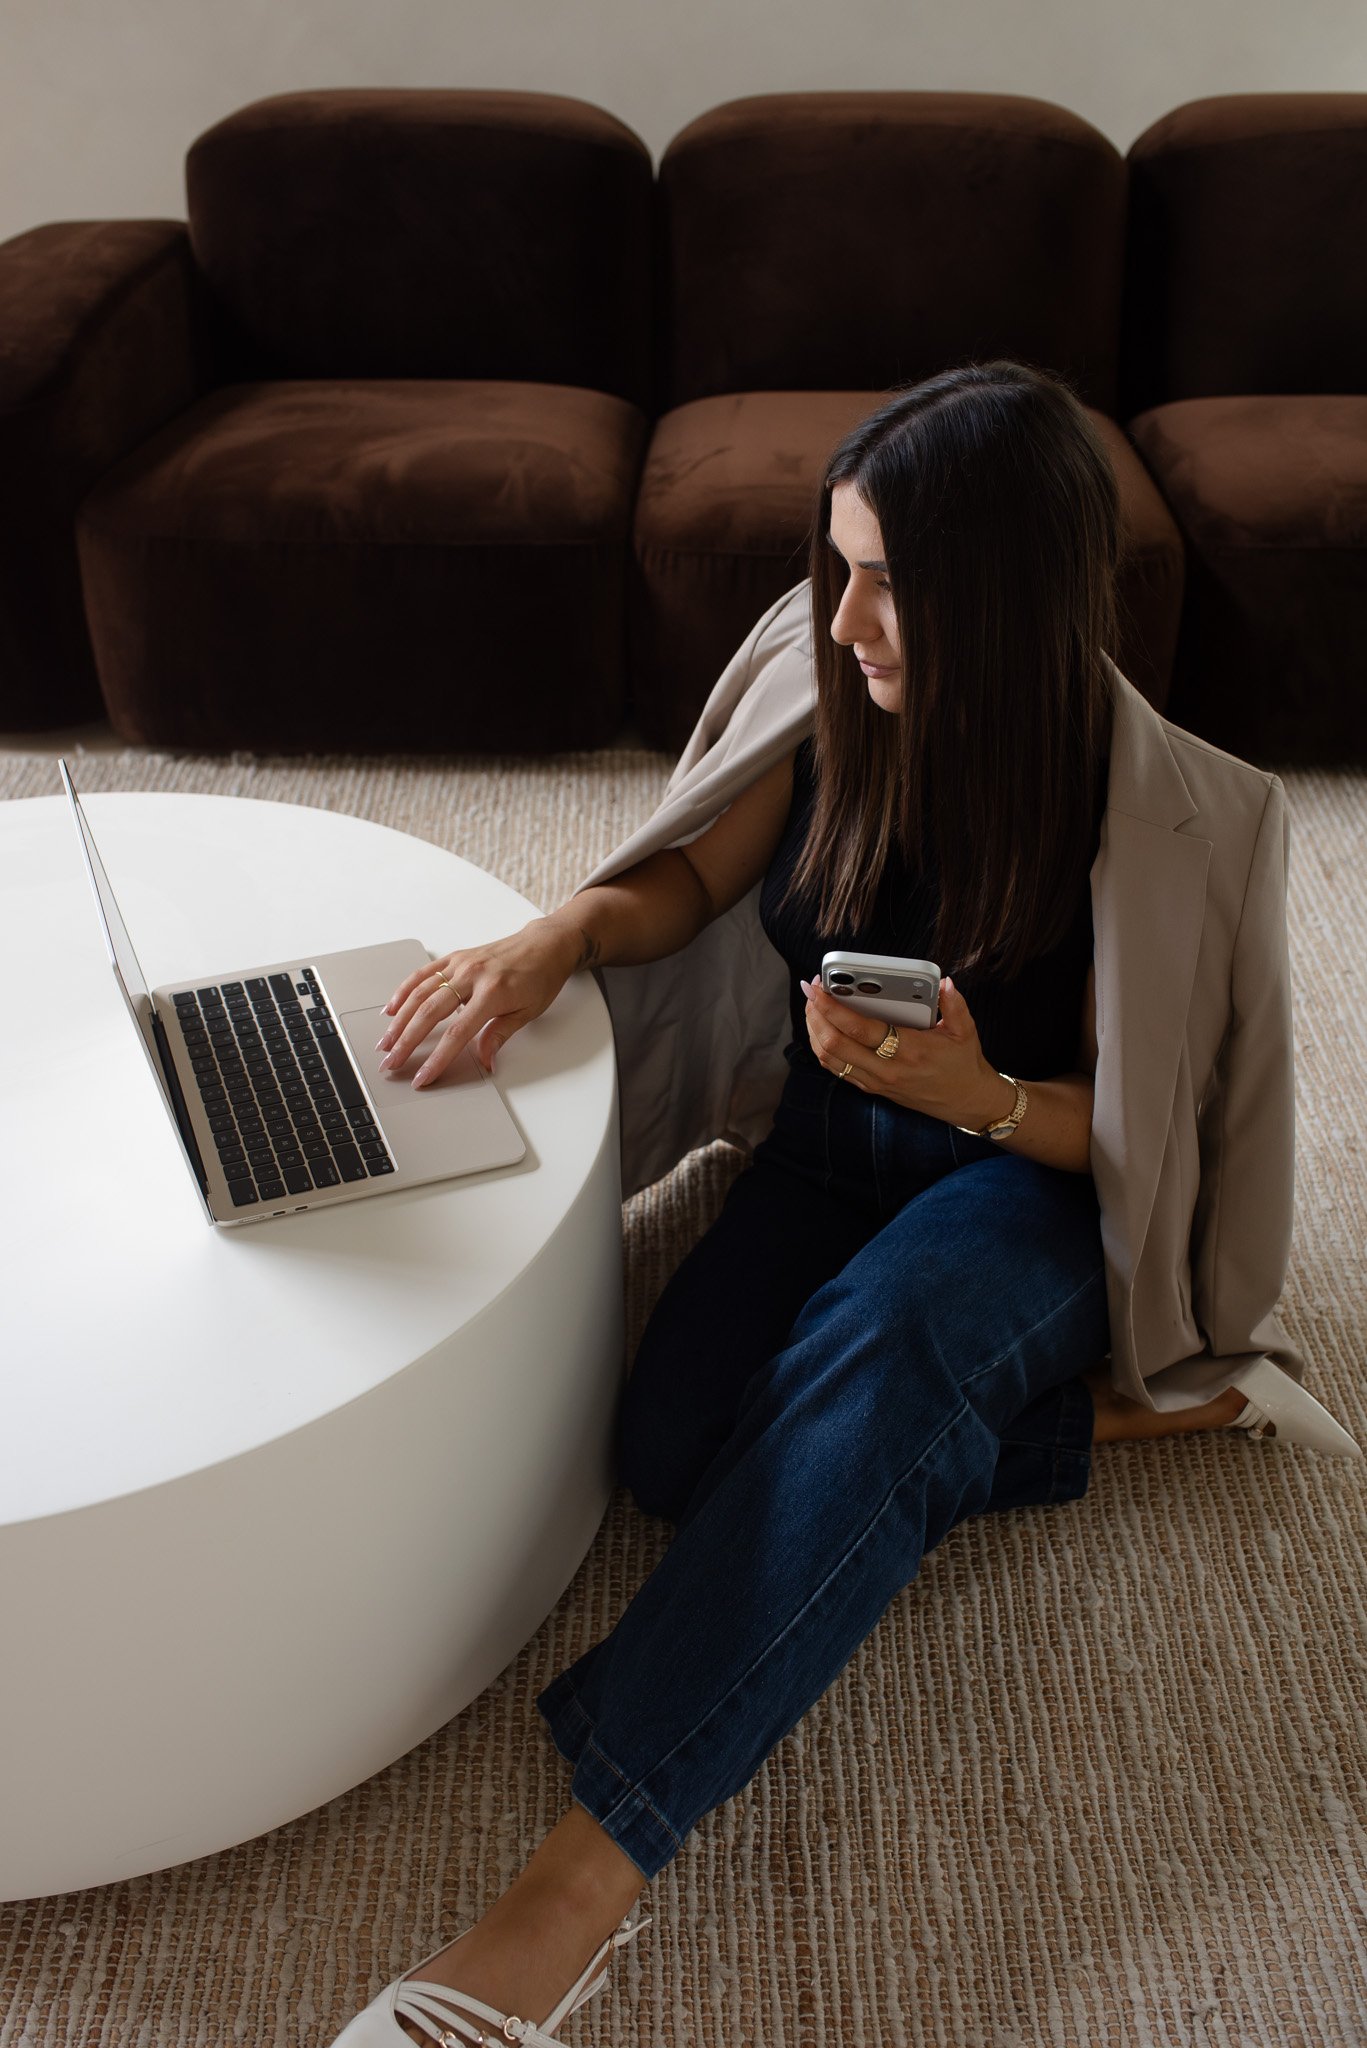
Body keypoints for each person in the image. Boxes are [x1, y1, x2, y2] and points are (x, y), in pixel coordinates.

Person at [328, 361, 1355, 2048]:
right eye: (841, 562)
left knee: (884, 1350)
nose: (848, 614)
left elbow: (1162, 1139)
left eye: (891, 580)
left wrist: (986, 1100)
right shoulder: (828, 694)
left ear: (1014, 601)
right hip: (823, 1148)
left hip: (1022, 1192)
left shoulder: (1187, 816)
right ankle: (1130, 1425)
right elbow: (691, 879)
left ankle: (576, 1889)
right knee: (669, 1452)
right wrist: (567, 929)